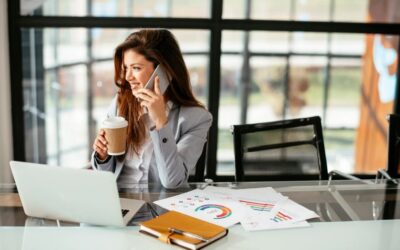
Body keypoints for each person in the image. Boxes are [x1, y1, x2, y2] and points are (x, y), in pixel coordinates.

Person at [91, 29, 212, 189]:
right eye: (126, 68)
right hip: (118, 202)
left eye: (136, 68)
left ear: (163, 71)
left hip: (159, 207)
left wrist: (160, 122)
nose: (127, 77)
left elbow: (172, 181)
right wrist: (102, 156)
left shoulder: (196, 119)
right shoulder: (120, 103)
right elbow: (105, 175)